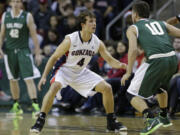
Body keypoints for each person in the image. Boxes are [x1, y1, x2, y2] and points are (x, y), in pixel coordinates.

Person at [30, 10, 127, 133]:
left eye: (95, 21)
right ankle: (40, 121)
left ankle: (111, 122)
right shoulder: (71, 39)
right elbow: (54, 57)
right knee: (54, 87)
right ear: (83, 24)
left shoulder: (97, 42)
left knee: (107, 88)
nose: (94, 24)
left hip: (80, 72)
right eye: (91, 21)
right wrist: (44, 76)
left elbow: (110, 59)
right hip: (64, 70)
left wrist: (123, 65)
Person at [121, 1, 180, 135]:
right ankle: (164, 117)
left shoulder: (133, 28)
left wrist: (128, 72)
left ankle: (151, 119)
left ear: (134, 15)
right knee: (159, 89)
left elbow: (133, 50)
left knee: (131, 94)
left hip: (156, 60)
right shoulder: (161, 23)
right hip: (172, 59)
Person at [0, 0, 42, 115]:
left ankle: (35, 105)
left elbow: (34, 35)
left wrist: (38, 53)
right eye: (14, 1)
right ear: (10, 3)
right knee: (13, 80)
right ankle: (16, 105)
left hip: (23, 51)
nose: (16, 3)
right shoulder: (5, 15)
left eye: (18, 1)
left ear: (21, 3)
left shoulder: (27, 16)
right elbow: (2, 34)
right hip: (9, 52)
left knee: (29, 78)